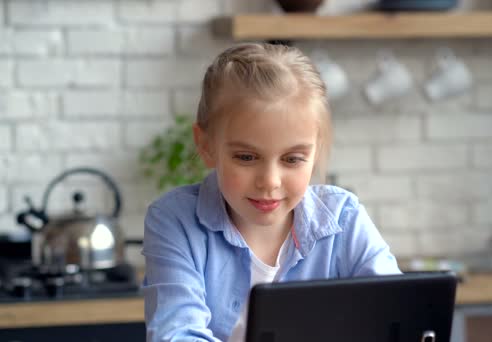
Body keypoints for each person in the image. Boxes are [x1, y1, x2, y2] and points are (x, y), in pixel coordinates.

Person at [142, 43, 401, 342]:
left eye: (292, 159)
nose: (270, 181)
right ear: (206, 145)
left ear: (315, 152)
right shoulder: (175, 221)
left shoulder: (344, 216)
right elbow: (176, 335)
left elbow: (395, 317)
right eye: (247, 157)